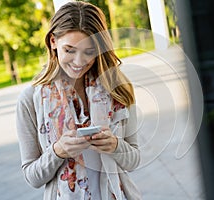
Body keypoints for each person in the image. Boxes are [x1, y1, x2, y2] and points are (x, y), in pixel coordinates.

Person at [16, 1, 141, 200]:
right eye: (70, 50)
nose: (79, 62)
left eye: (89, 52)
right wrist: (58, 151)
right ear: (53, 42)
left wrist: (115, 145)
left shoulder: (118, 89)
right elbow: (32, 177)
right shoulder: (30, 100)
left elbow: (134, 160)